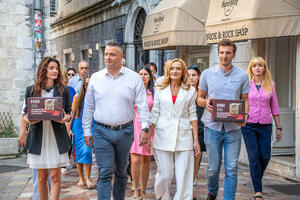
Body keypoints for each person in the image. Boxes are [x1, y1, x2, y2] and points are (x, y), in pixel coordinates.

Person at [82, 41, 150, 200]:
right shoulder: (96, 78)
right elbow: (89, 107)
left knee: (121, 171)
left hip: (125, 132)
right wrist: (86, 130)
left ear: (121, 57)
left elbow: (142, 105)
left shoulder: (134, 78)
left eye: (112, 54)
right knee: (105, 171)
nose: (108, 57)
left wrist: (145, 128)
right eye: (106, 54)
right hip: (101, 132)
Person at [197, 39, 250, 200]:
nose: (224, 56)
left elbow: (245, 100)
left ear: (233, 54)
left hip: (233, 128)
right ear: (217, 53)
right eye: (221, 52)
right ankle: (212, 191)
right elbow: (199, 98)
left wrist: (245, 117)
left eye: (228, 52)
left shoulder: (242, 75)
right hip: (212, 127)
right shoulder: (207, 74)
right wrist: (206, 103)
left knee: (232, 167)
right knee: (213, 168)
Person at [144, 58, 200, 200]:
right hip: (163, 134)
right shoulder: (160, 88)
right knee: (164, 174)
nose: (175, 71)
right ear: (168, 71)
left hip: (184, 135)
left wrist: (196, 140)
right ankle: (163, 197)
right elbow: (155, 112)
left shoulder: (191, 90)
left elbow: (193, 115)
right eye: (172, 68)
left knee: (184, 175)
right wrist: (149, 136)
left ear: (183, 72)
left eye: (178, 68)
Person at [23, 57, 72, 200]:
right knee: (41, 177)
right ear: (43, 70)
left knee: (55, 176)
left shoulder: (63, 90)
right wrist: (28, 120)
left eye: (56, 68)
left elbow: (68, 113)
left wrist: (65, 118)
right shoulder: (31, 90)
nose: (55, 71)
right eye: (51, 68)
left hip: (56, 137)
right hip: (39, 136)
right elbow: (26, 113)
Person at [242, 57, 282, 200]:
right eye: (255, 66)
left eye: (260, 65)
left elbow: (275, 107)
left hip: (265, 125)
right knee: (254, 157)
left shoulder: (270, 85)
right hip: (249, 125)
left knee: (265, 156)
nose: (257, 68)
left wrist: (279, 128)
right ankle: (257, 190)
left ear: (264, 68)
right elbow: (238, 103)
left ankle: (257, 176)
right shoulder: (246, 85)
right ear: (251, 69)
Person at [130, 66, 155, 199]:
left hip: (149, 127)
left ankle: (144, 190)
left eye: (145, 74)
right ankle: (135, 188)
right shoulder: (132, 91)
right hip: (134, 126)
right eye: (140, 74)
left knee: (146, 159)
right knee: (134, 159)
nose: (143, 76)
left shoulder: (154, 92)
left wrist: (150, 132)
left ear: (150, 76)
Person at [69, 76, 95, 189]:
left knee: (87, 151)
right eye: (86, 84)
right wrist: (68, 129)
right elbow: (72, 114)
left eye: (90, 84)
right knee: (79, 153)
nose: (88, 87)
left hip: (91, 126)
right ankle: (81, 178)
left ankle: (88, 178)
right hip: (78, 127)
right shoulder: (77, 97)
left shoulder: (96, 97)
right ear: (83, 86)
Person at [188, 65, 206, 200]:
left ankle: (192, 180)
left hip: (199, 128)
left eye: (193, 75)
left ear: (199, 76)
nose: (191, 78)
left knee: (196, 156)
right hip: (184, 128)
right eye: (188, 75)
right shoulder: (182, 91)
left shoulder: (202, 92)